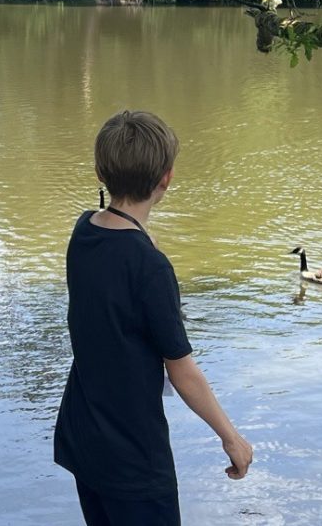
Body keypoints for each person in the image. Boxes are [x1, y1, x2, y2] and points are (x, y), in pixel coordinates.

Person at [53, 111, 254, 526]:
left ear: (99, 173)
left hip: (84, 437)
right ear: (167, 178)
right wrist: (231, 438)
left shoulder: (84, 232)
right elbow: (181, 371)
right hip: (132, 455)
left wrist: (149, 249)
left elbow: (124, 250)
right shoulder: (149, 268)